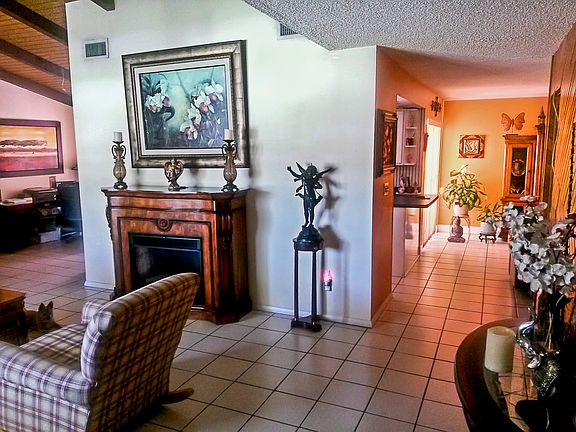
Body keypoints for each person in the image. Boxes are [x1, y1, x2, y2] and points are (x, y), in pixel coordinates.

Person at [287, 162, 329, 229]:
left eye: (312, 172)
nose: (310, 173)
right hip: (305, 197)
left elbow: (320, 186)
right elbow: (296, 175)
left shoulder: (313, 180)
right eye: (310, 172)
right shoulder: (304, 177)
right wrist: (290, 170)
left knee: (311, 210)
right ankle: (306, 221)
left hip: (311, 196)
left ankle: (311, 224)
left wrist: (315, 186)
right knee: (306, 210)